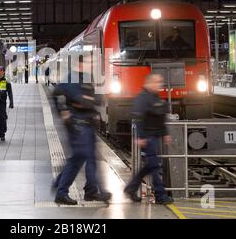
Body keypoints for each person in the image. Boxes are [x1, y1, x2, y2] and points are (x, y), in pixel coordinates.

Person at [52, 59, 112, 205]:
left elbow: (95, 99)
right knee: (77, 159)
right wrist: (68, 109)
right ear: (78, 64)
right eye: (88, 62)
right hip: (78, 125)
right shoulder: (71, 79)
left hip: (88, 123)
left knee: (90, 158)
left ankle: (91, 192)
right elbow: (82, 100)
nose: (91, 65)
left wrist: (89, 101)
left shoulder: (85, 78)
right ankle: (61, 191)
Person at [124, 73, 174, 205]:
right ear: (150, 83)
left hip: (155, 136)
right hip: (148, 137)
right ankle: (160, 195)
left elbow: (160, 118)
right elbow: (139, 118)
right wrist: (141, 137)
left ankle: (130, 188)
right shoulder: (142, 98)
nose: (160, 85)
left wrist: (165, 134)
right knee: (154, 166)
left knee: (149, 166)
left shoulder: (155, 97)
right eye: (157, 82)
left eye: (160, 83)